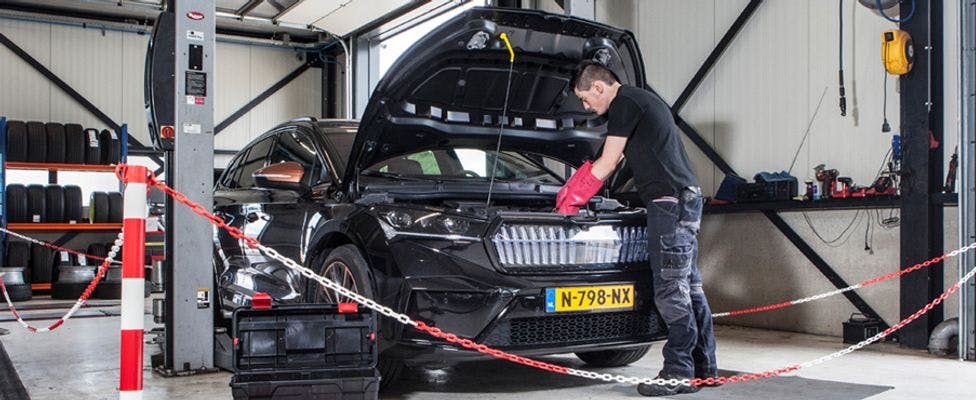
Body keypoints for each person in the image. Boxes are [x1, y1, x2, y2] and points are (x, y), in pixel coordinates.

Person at [555, 61, 718, 397]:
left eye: (586, 99)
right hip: (685, 199)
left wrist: (572, 198)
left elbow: (609, 162)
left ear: (599, 87)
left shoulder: (624, 103)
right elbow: (607, 160)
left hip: (668, 203)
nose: (587, 107)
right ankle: (704, 370)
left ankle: (677, 372)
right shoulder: (642, 101)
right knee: (689, 287)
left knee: (671, 291)